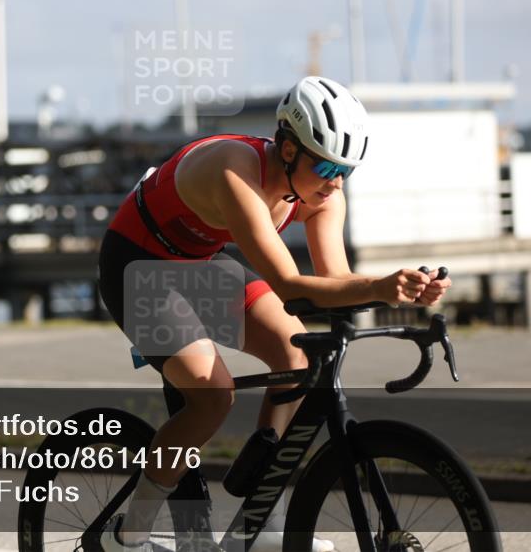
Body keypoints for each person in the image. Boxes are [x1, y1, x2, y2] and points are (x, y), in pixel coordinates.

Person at [97, 76, 451, 551]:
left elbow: (334, 283)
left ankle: (261, 521)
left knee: (297, 357)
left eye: (347, 169)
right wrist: (381, 286)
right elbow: (288, 284)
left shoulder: (325, 195)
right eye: (326, 164)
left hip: (196, 262)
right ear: (287, 149)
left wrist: (401, 289)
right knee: (213, 396)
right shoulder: (234, 171)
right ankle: (127, 535)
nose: (336, 180)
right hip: (137, 263)